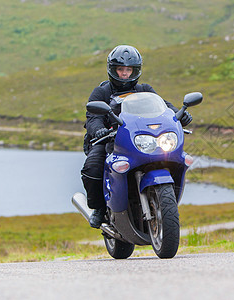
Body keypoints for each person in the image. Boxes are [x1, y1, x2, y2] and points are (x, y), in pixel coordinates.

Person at [81, 45, 192, 228]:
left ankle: (164, 200)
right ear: (112, 70)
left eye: (129, 69)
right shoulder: (101, 92)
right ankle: (99, 209)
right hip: (110, 140)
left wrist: (179, 115)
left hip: (141, 139)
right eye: (120, 69)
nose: (124, 74)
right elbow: (93, 118)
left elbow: (165, 107)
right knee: (92, 168)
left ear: (136, 70)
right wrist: (99, 130)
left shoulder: (144, 90)